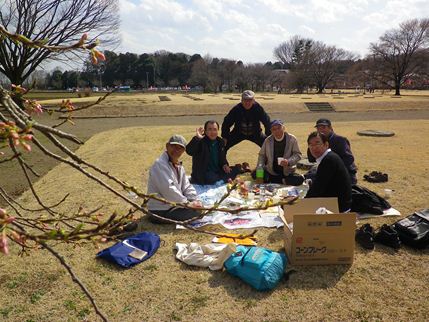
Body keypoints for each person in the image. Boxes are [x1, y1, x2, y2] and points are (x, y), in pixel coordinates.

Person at [147, 135, 202, 224]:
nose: (176, 150)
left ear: (183, 151)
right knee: (196, 215)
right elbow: (168, 189)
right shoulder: (159, 165)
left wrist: (194, 199)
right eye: (173, 146)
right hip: (159, 210)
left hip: (173, 205)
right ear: (167, 146)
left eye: (180, 148)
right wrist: (187, 204)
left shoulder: (179, 166)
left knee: (199, 209)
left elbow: (186, 186)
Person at [305, 131, 352, 212]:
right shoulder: (328, 157)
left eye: (317, 143)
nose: (314, 148)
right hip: (337, 202)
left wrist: (302, 202)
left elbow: (317, 189)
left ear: (326, 145)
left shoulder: (328, 160)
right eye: (311, 145)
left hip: (338, 207)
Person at [186, 120, 245, 185]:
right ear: (205, 131)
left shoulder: (220, 142)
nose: (212, 132)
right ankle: (222, 180)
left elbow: (222, 158)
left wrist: (224, 165)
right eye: (210, 129)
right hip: (204, 173)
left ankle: (221, 180)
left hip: (217, 171)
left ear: (217, 131)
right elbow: (189, 151)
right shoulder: (200, 141)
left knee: (234, 170)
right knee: (211, 177)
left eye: (215, 129)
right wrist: (197, 138)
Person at [307, 118, 357, 184]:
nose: (321, 130)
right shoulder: (318, 141)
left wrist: (332, 169)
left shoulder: (340, 140)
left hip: (345, 174)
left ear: (330, 128)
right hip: (327, 171)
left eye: (324, 127)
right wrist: (312, 146)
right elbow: (311, 159)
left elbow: (349, 159)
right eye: (318, 128)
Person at [256, 120, 304, 185]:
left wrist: (288, 161)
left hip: (287, 172)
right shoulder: (268, 140)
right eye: (274, 129)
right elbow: (262, 156)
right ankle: (281, 181)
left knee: (300, 179)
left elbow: (298, 154)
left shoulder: (292, 139)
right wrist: (259, 174)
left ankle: (276, 180)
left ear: (283, 128)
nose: (277, 131)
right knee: (256, 174)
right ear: (271, 131)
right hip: (271, 171)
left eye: (279, 128)